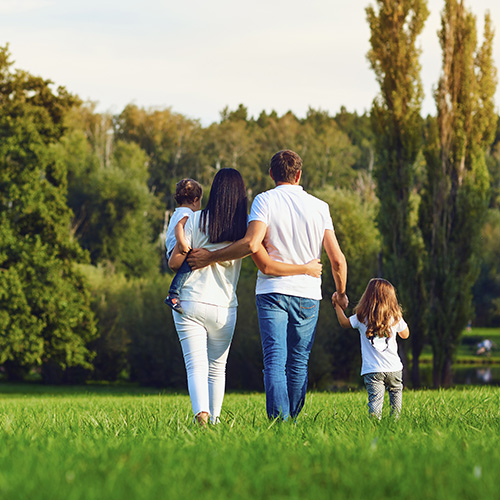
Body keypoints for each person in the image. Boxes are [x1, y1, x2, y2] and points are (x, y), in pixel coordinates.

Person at [187, 150, 348, 421]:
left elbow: (252, 244)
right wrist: (341, 294)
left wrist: (211, 257)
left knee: (275, 360)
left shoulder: (265, 200)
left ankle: (278, 421)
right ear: (298, 175)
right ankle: (291, 421)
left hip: (272, 292)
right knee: (299, 362)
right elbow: (337, 260)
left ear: (272, 174)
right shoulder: (320, 207)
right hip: (308, 293)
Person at [332, 278, 410, 419]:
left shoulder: (361, 318)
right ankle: (396, 420)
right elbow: (405, 335)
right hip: (394, 368)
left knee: (375, 400)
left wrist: (337, 305)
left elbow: (344, 323)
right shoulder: (395, 317)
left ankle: (374, 423)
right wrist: (398, 317)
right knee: (396, 393)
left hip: (372, 370)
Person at [164, 178, 203, 314]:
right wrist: (182, 243)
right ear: (195, 200)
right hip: (177, 249)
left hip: (171, 250)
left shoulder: (177, 211)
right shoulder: (188, 213)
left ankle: (175, 293)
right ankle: (173, 294)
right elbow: (179, 227)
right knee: (191, 264)